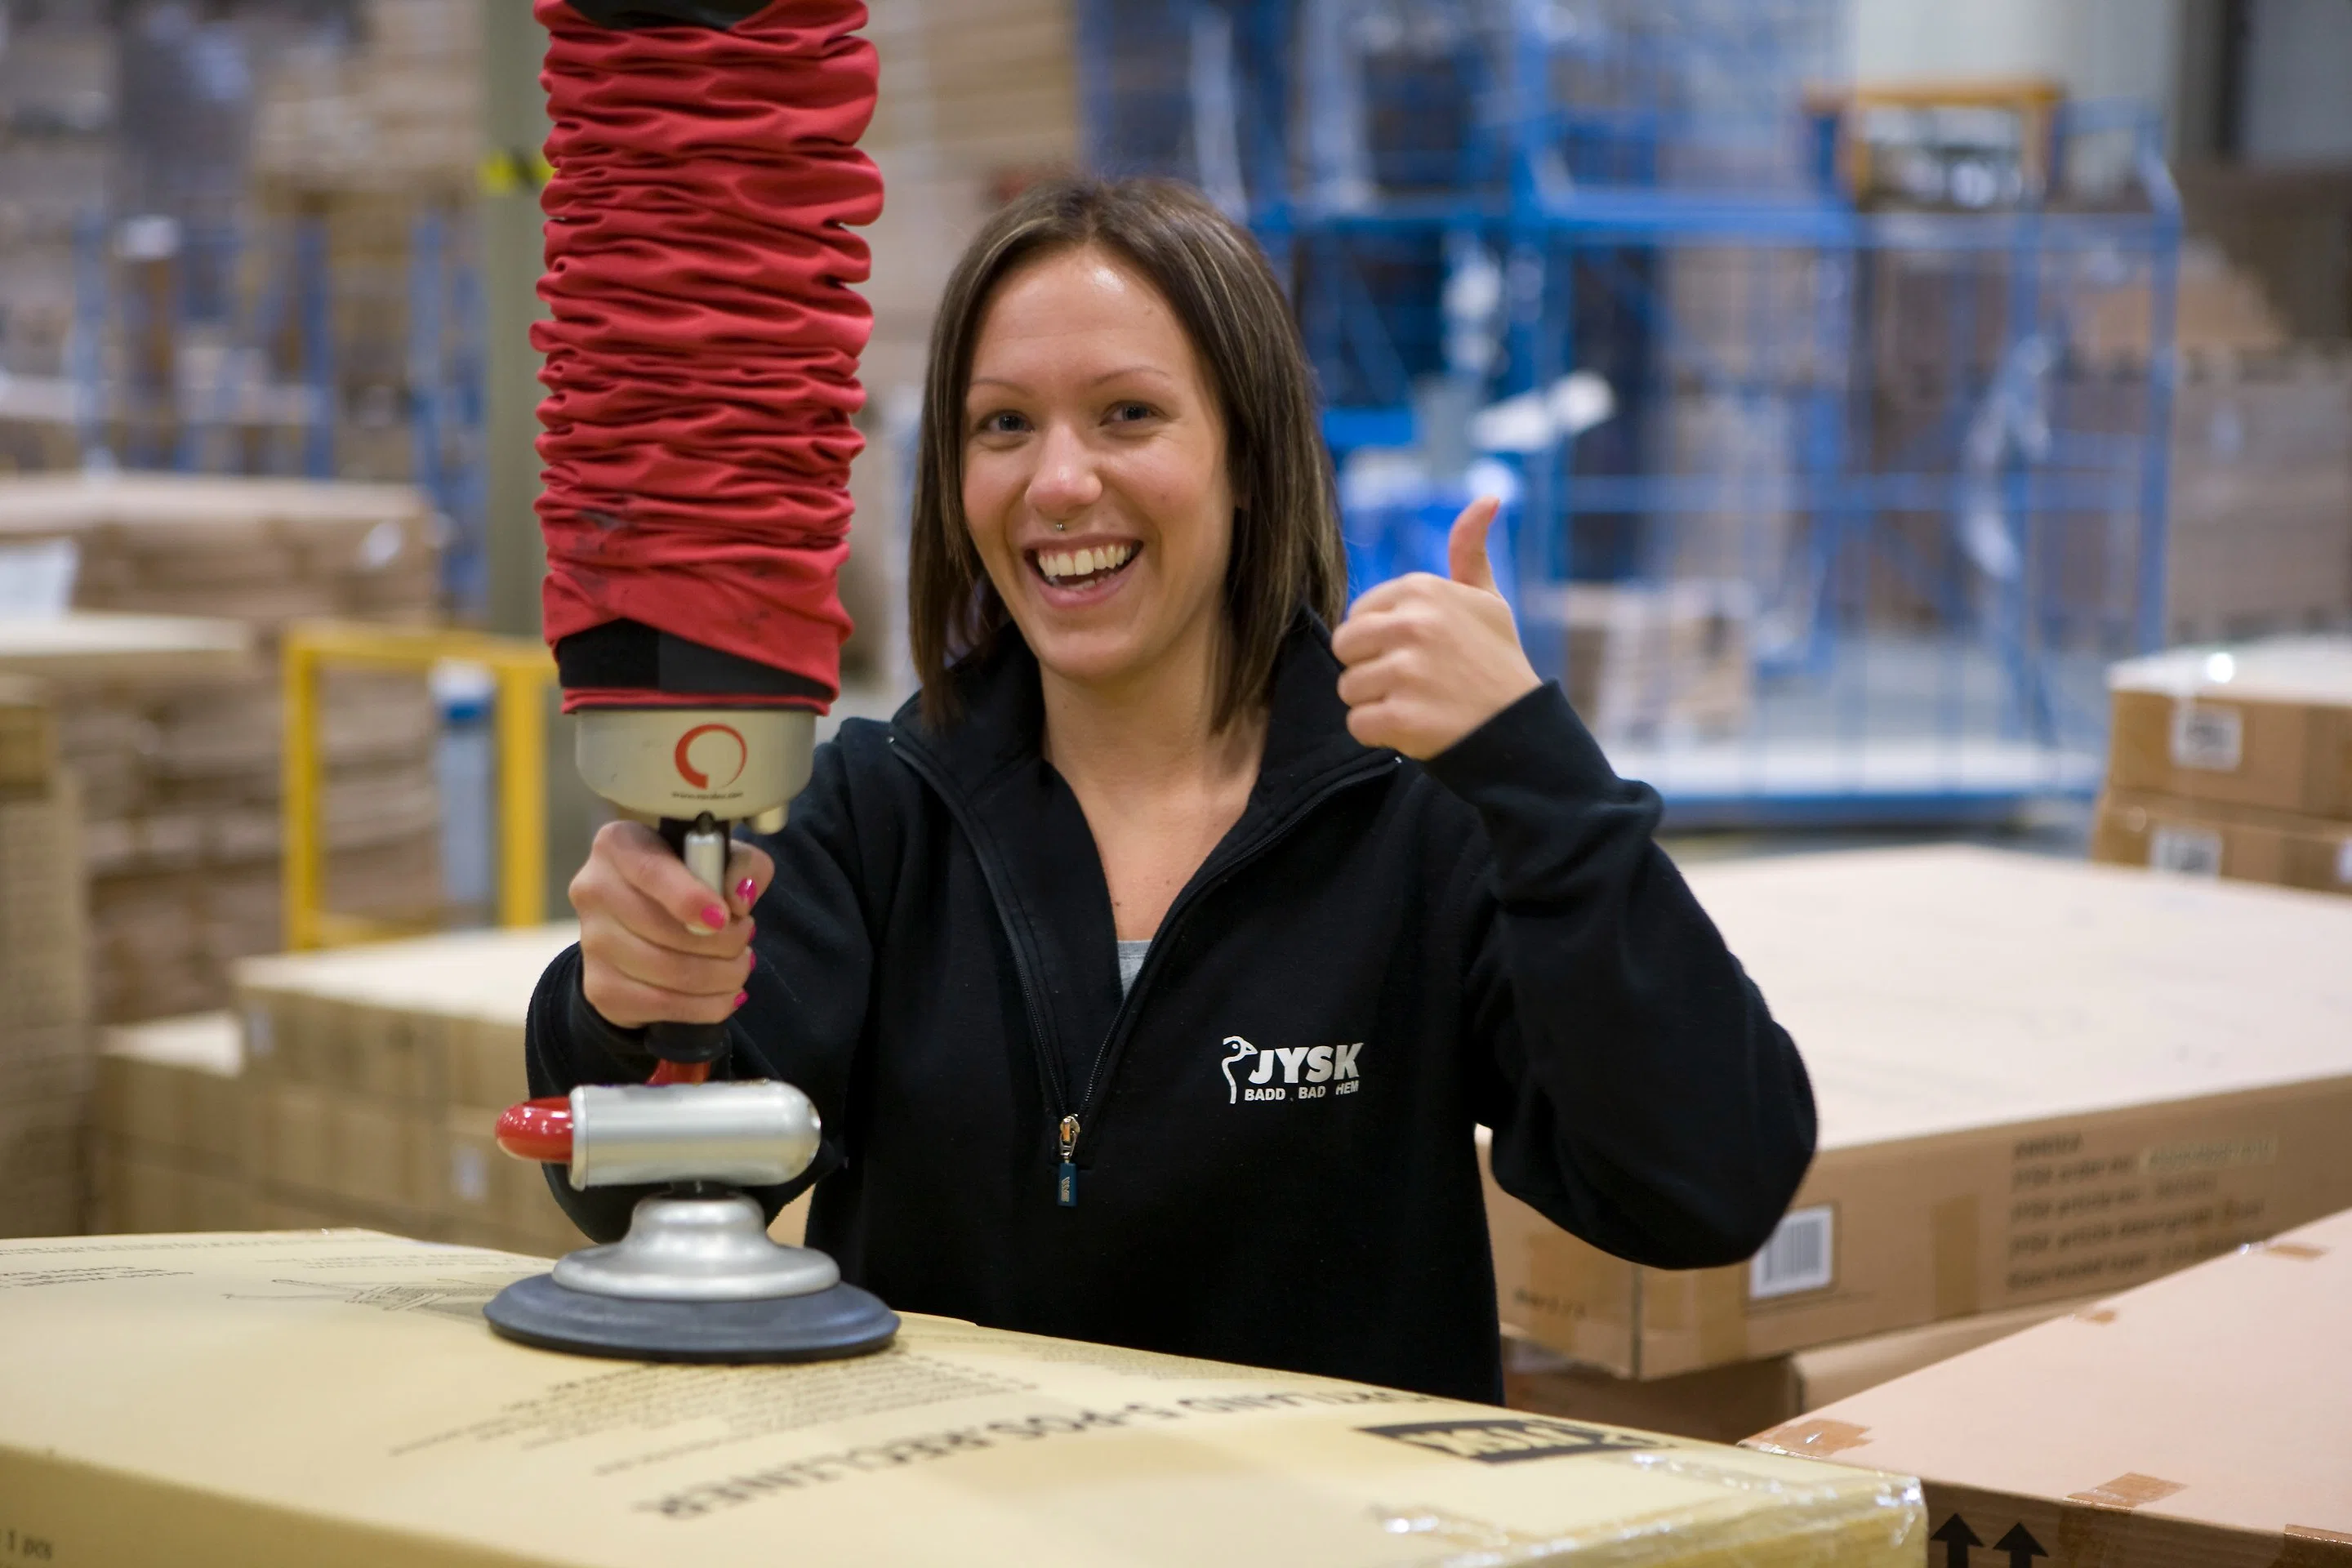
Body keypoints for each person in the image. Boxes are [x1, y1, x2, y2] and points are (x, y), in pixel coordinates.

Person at [526, 176, 1814, 1404]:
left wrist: (1544, 778)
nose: (1059, 482)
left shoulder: (1424, 823)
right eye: (1004, 424)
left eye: (1129, 415)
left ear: (1249, 457)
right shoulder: (876, 814)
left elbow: (1705, 1190)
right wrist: (624, 1001)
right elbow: (652, 1196)